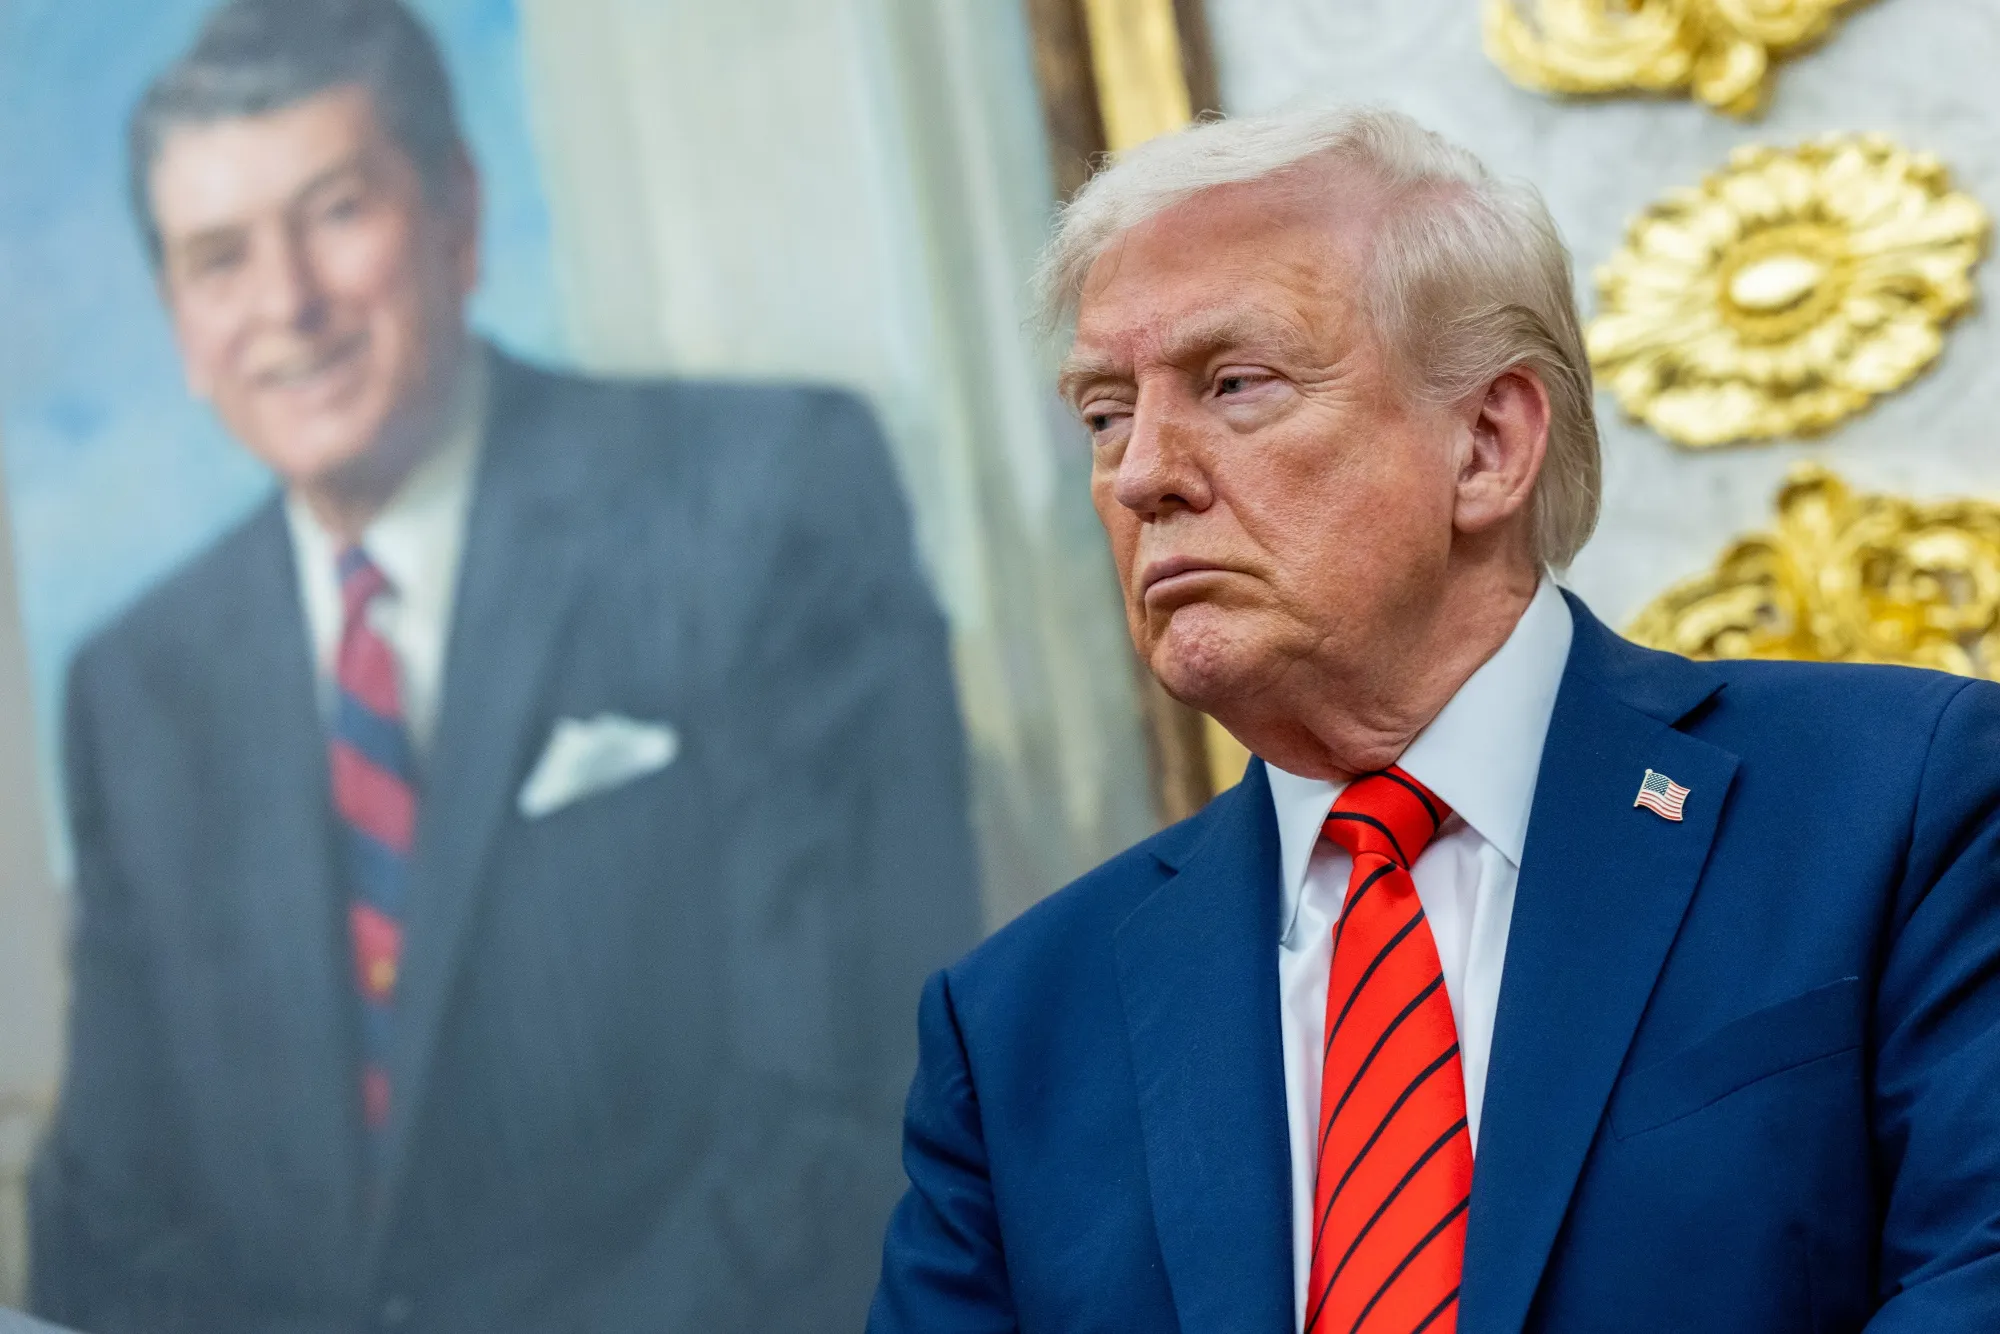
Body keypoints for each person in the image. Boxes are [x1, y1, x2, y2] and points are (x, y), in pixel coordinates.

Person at [870, 104, 2000, 1333]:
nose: (1141, 471)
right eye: (1102, 413)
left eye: (1233, 384)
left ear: (1484, 444)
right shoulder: (1017, 1022)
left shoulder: (1898, 804)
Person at [28, 1, 981, 1330]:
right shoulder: (134, 684)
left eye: (337, 209)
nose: (286, 302)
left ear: (457, 217)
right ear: (179, 323)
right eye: (218, 258)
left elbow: (846, 1111)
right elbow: (113, 1217)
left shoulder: (764, 501)